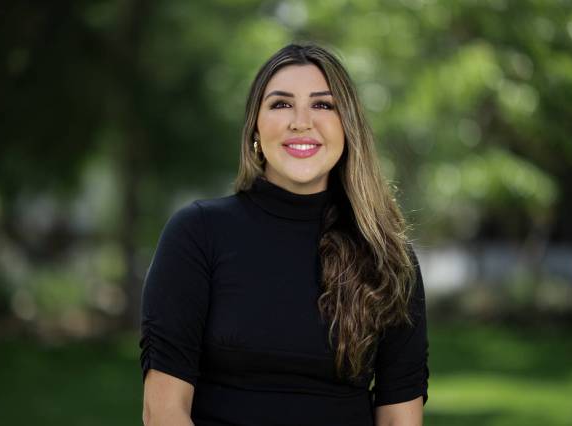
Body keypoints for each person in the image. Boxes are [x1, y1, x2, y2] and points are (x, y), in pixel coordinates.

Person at [140, 42, 429, 426]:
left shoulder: (387, 255)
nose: (301, 121)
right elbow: (163, 411)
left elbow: (399, 419)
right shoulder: (197, 234)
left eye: (323, 105)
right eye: (280, 104)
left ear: (348, 128)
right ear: (255, 129)